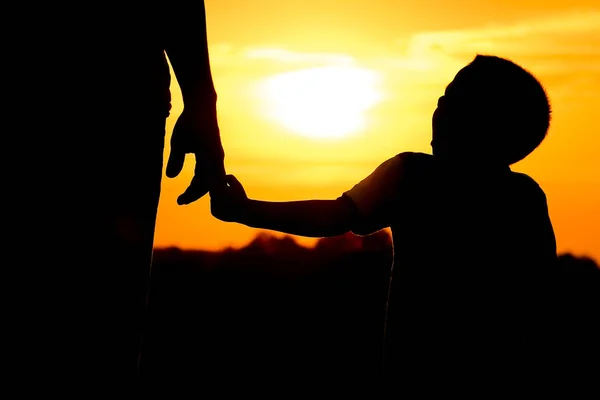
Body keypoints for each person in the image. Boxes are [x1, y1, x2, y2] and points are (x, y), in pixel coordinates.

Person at [210, 54, 558, 393]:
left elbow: (337, 216)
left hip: (416, 372)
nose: (438, 106)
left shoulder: (411, 174)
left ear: (479, 121)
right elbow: (542, 294)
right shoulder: (526, 196)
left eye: (449, 99)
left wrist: (247, 210)